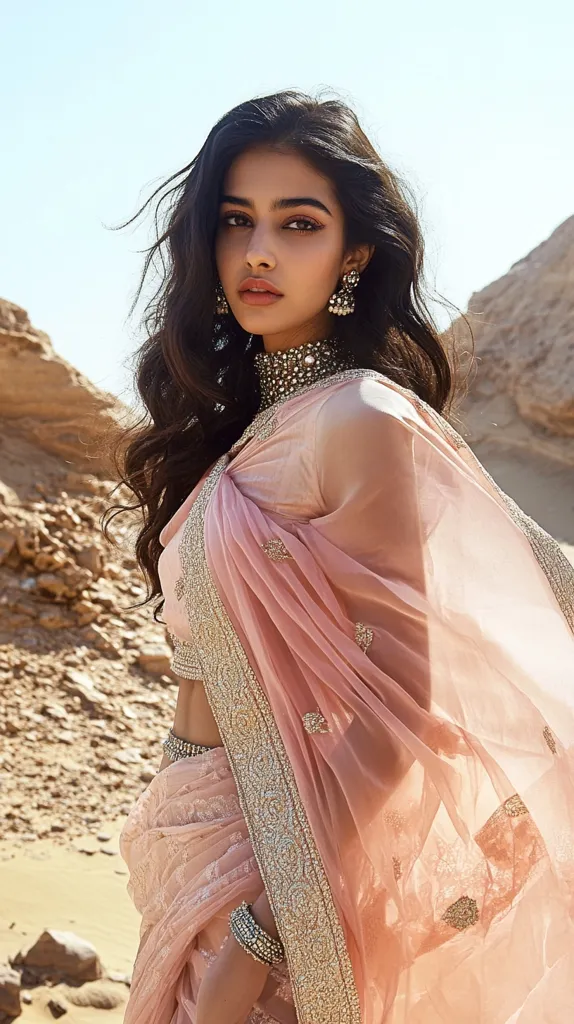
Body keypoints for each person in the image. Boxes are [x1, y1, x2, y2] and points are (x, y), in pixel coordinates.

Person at [108, 90, 574, 1024]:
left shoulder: (359, 418)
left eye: (299, 223)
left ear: (354, 252)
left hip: (282, 874)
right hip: (190, 835)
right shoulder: (245, 434)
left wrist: (265, 930)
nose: (260, 252)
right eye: (236, 222)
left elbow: (399, 700)